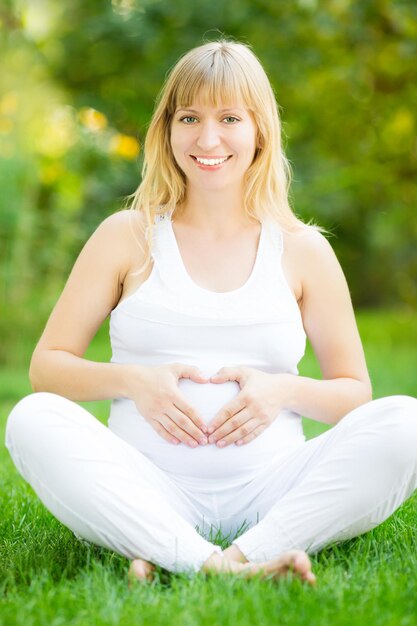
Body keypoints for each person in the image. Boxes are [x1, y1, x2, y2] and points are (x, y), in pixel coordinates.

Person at [5, 40, 417, 587]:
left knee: (407, 423)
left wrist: (283, 392)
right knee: (31, 420)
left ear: (259, 131)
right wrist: (134, 382)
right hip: (149, 484)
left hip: (274, 489)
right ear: (167, 129)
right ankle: (209, 560)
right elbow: (47, 369)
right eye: (189, 117)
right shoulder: (126, 237)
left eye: (229, 118)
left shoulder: (303, 249)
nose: (208, 138)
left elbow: (354, 392)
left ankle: (221, 554)